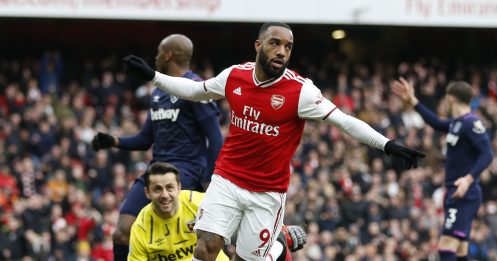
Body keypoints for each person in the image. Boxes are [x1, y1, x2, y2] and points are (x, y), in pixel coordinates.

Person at [122, 22, 425, 261]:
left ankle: (277, 243)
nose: (282, 51)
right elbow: (195, 90)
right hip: (227, 178)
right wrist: (154, 76)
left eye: (288, 47)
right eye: (275, 43)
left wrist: (387, 144)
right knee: (205, 249)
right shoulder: (234, 77)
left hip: (267, 192)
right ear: (259, 45)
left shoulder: (300, 91)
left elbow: (344, 121)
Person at [91, 34, 224, 261]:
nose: (156, 56)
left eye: (159, 51)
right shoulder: (158, 92)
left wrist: (212, 181)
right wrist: (114, 141)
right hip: (155, 171)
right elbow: (146, 138)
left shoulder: (197, 88)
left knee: (192, 242)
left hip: (186, 173)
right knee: (121, 232)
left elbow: (215, 137)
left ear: (168, 54)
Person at [391, 78, 493, 261]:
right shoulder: (457, 122)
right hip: (456, 192)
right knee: (460, 249)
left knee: (446, 247)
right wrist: (413, 101)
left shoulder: (471, 123)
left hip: (464, 193)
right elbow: (437, 123)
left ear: (450, 99)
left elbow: (487, 154)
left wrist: (468, 179)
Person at [128, 162, 307, 261]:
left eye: (170, 188)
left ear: (179, 187)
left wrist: (279, 228)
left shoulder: (196, 202)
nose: (165, 195)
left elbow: (246, 217)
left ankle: (279, 242)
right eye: (158, 189)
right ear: (147, 193)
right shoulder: (141, 228)